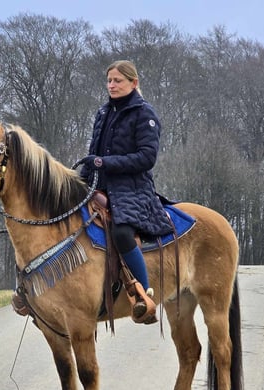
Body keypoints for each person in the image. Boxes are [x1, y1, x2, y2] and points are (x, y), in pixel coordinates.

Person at [78, 60, 172, 324]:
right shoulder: (102, 113)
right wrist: (79, 179)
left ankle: (142, 294)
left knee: (121, 232)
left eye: (118, 80)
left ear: (134, 83)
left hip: (133, 189)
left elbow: (146, 158)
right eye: (109, 80)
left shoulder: (145, 115)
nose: (112, 85)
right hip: (99, 185)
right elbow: (94, 154)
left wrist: (105, 163)